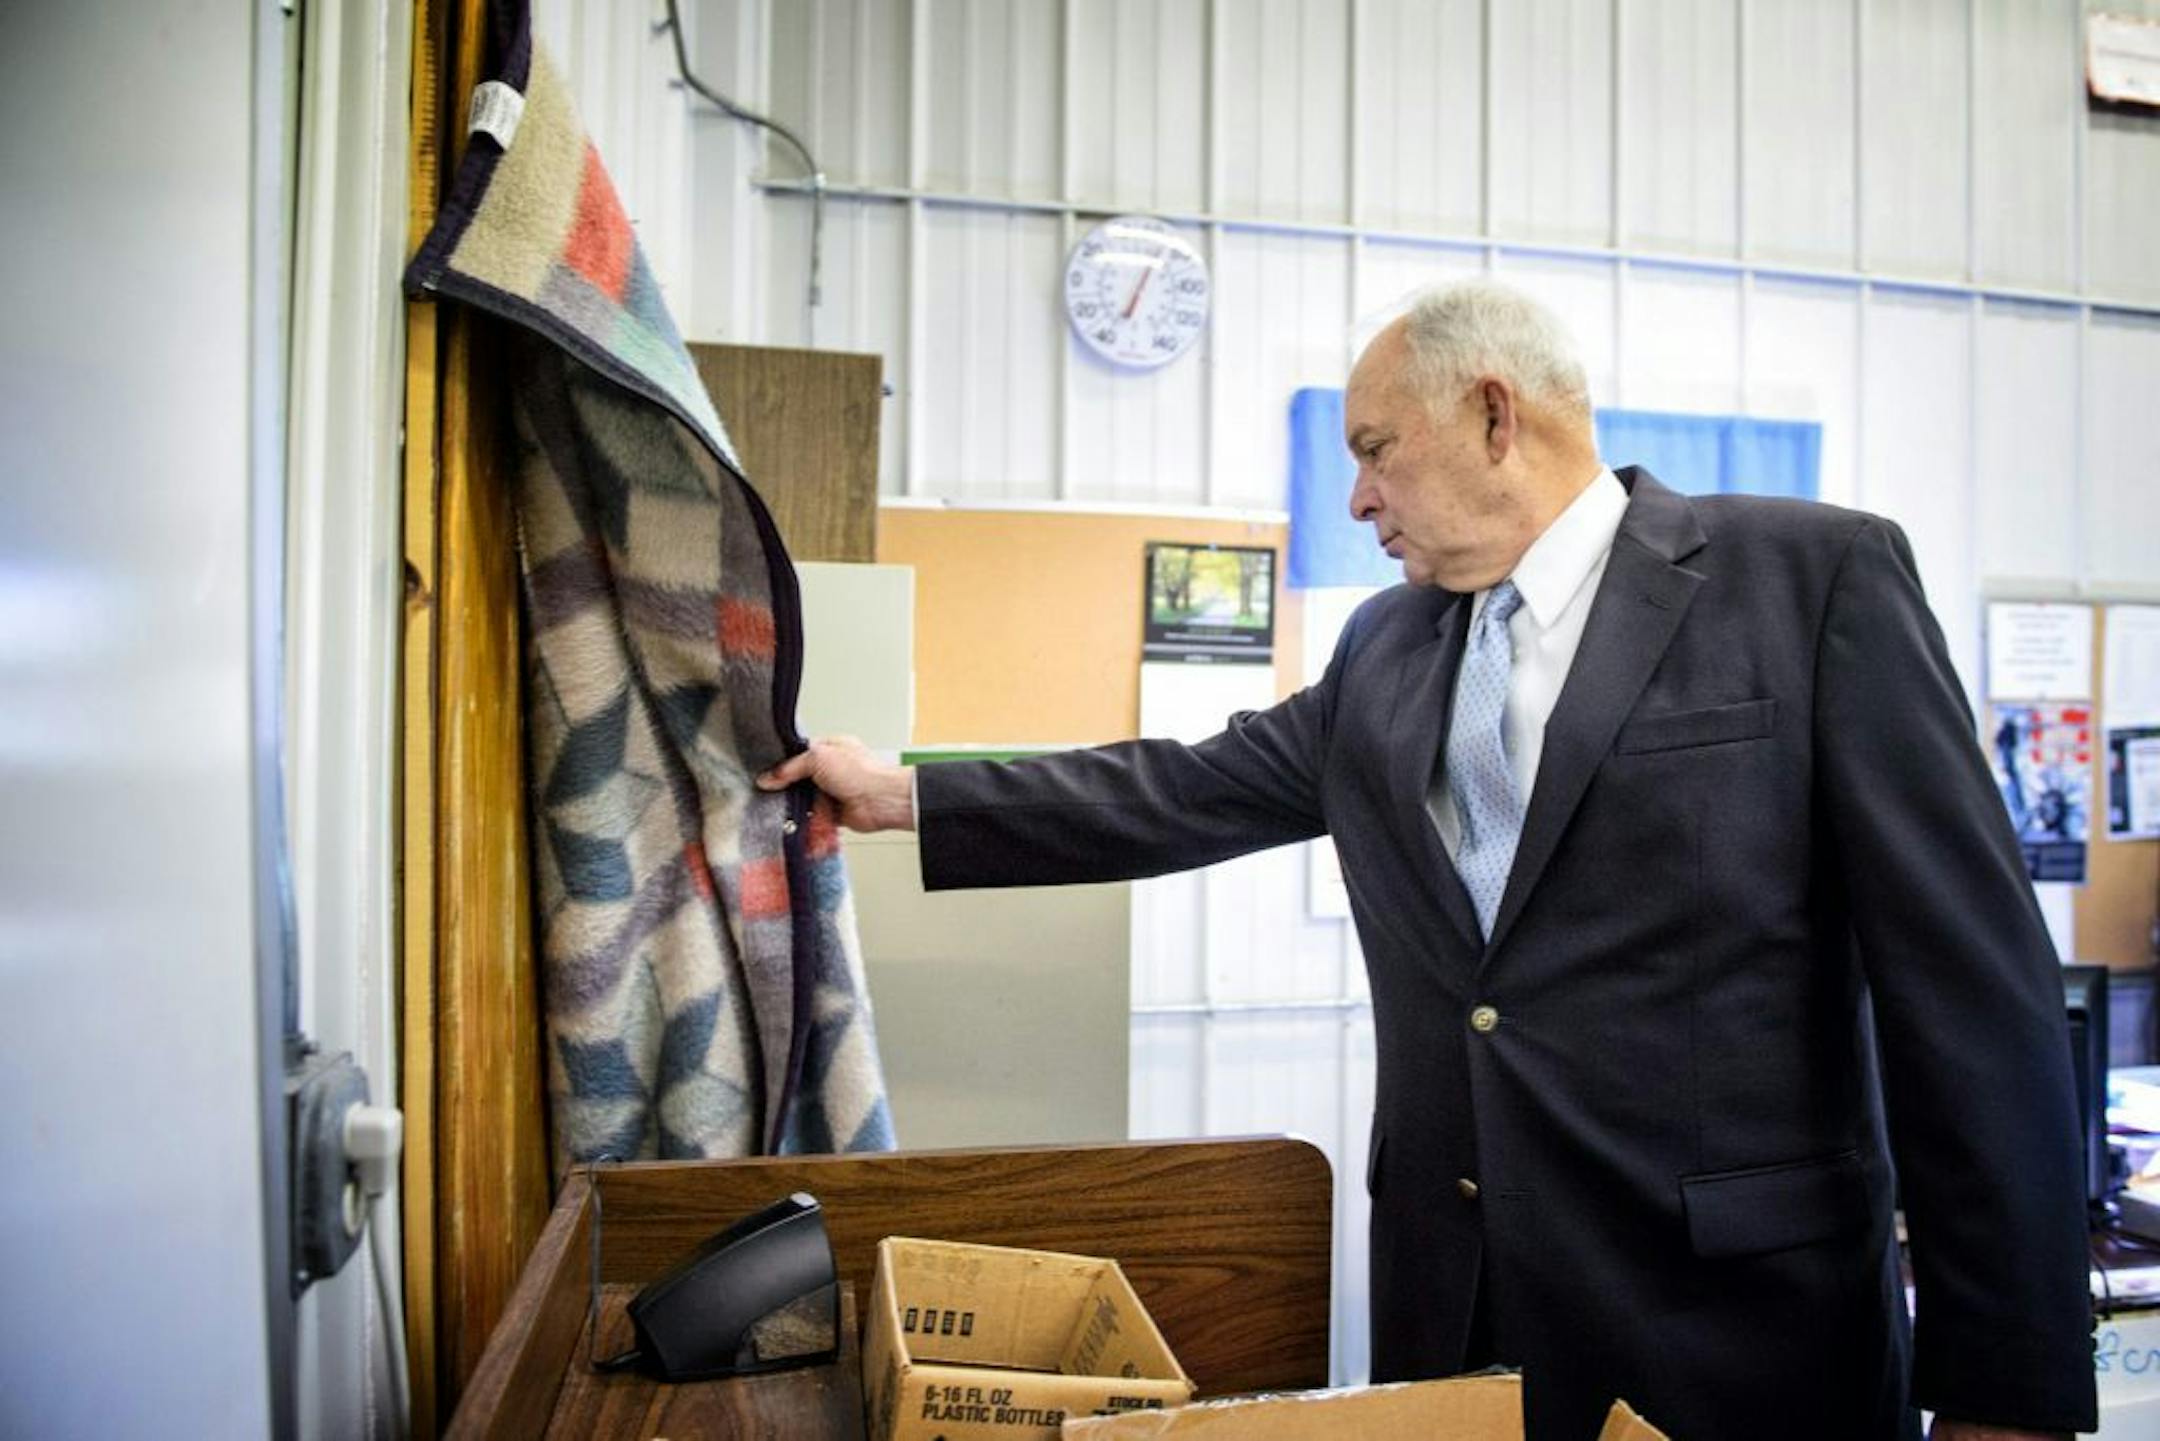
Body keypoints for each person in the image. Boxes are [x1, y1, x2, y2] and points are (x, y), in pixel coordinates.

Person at [759, 281, 2096, 1439]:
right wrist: (904, 796)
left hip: (1739, 1336)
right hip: (1460, 1317)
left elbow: (1972, 998)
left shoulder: (1808, 585)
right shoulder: (1387, 656)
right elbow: (1179, 788)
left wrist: (2011, 1377)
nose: (1358, 496)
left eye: (1377, 449)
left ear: (1496, 416)